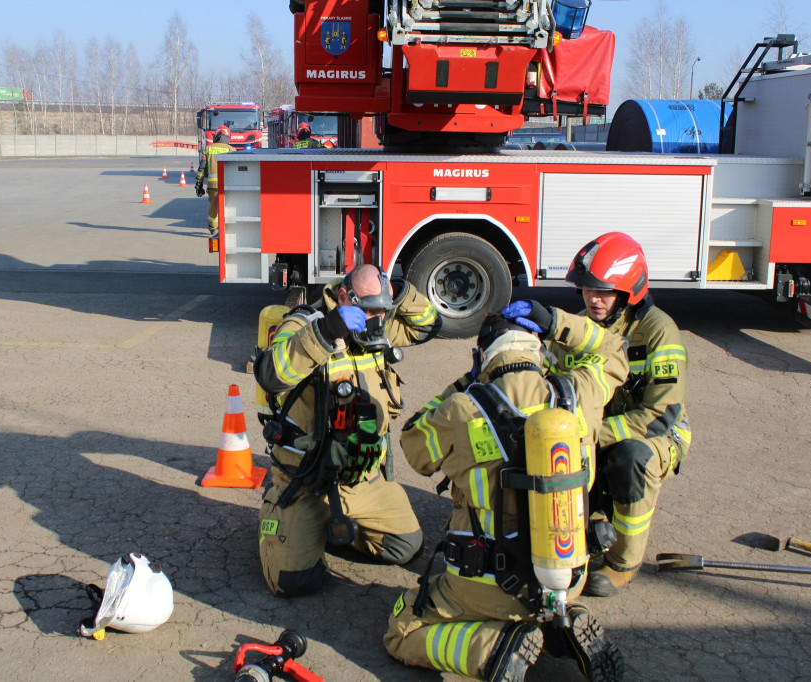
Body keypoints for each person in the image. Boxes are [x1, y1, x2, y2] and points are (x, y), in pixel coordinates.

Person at [385, 301, 629, 682]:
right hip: (568, 569)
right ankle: (562, 621)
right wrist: (555, 319)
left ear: (482, 355)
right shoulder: (581, 392)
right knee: (550, 593)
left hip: (485, 584)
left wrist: (466, 383)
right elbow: (614, 349)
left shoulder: (461, 408)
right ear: (540, 351)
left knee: (403, 629)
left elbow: (413, 443)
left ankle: (495, 647)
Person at [253, 264, 441, 597]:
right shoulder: (305, 324)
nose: (376, 318)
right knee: (292, 582)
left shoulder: (377, 321)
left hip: (362, 478)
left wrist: (396, 289)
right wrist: (327, 332)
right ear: (343, 296)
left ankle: (333, 527)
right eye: (369, 309)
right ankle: (288, 519)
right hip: (308, 480)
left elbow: (429, 325)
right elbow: (269, 373)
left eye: (382, 310)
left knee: (406, 547)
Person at [555, 232, 692, 597]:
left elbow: (660, 414)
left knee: (631, 459)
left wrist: (587, 433)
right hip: (596, 428)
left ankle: (622, 562)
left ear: (630, 289)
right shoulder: (581, 326)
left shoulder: (658, 332)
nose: (592, 299)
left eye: (603, 291)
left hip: (657, 434)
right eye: (586, 289)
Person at [194, 124, 235, 234]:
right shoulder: (232, 149)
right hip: (228, 186)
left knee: (213, 208)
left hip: (213, 187)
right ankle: (229, 230)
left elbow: (202, 168)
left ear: (217, 136)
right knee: (228, 208)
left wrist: (199, 184)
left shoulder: (208, 149)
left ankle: (213, 229)